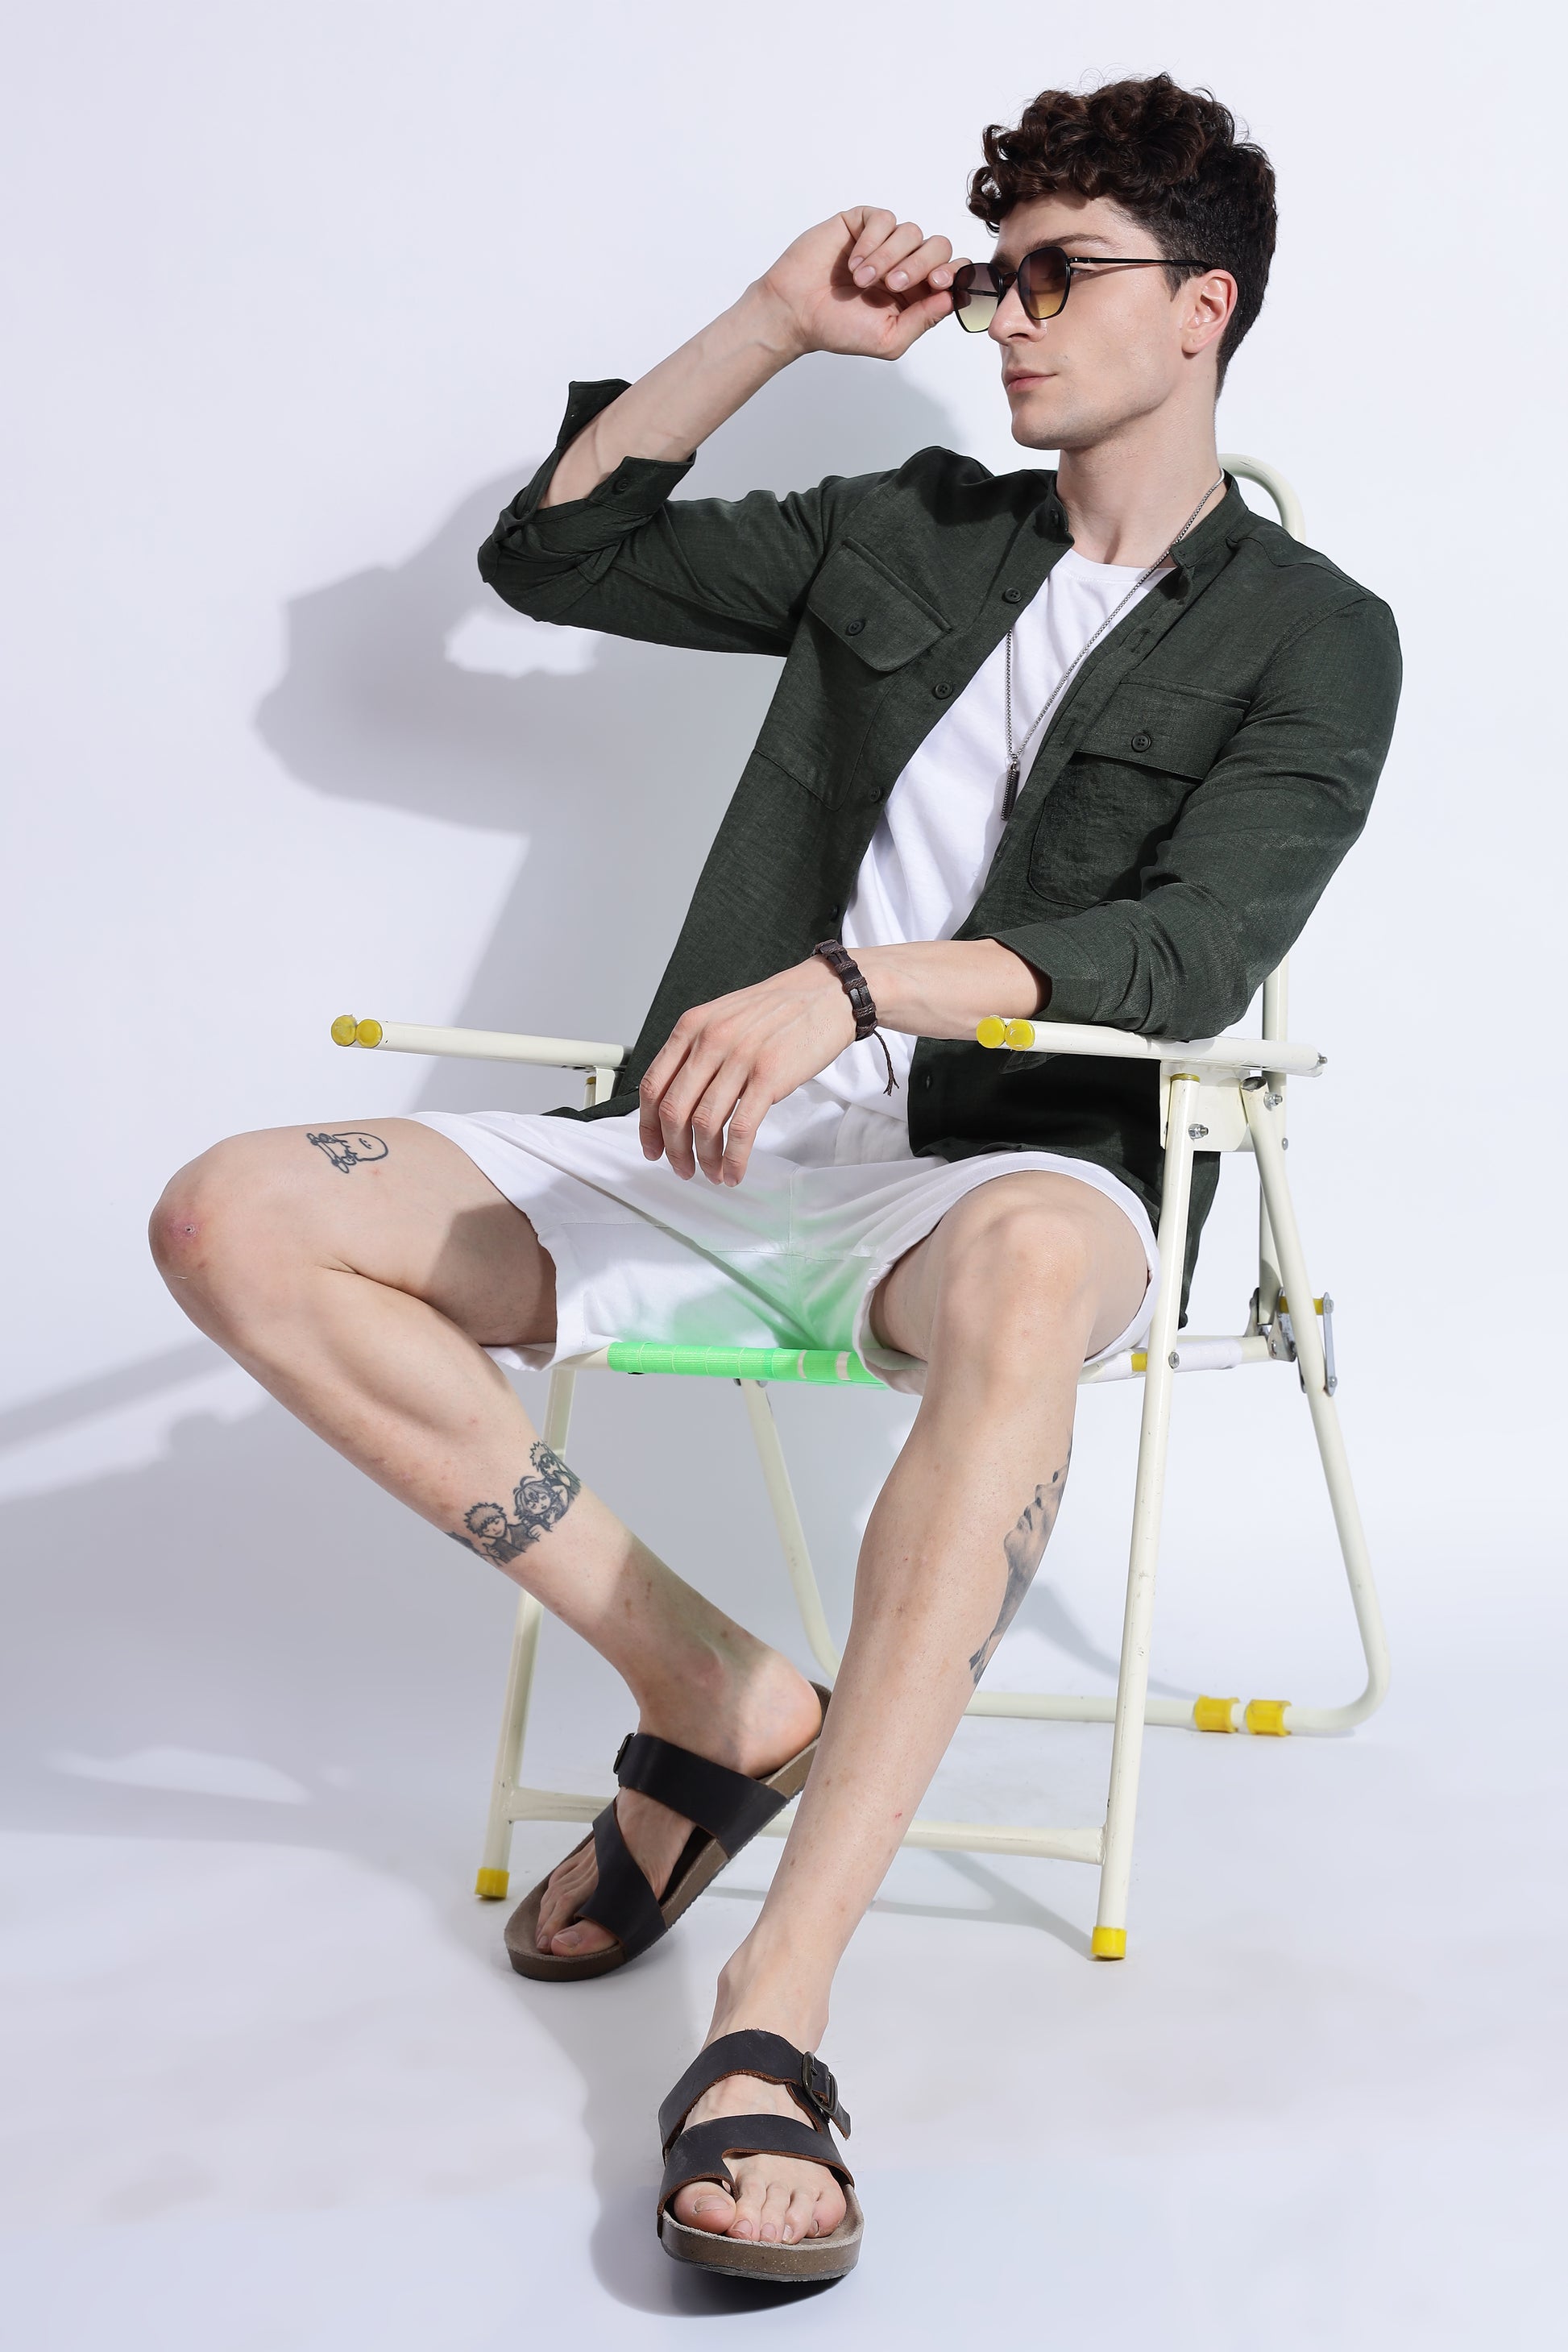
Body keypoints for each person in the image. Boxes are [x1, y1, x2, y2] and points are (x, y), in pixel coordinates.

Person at [151, 73, 1400, 2283]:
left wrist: (859, 985)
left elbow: (1196, 949)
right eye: (996, 274)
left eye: (1061, 275)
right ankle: (718, 1696)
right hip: (718, 1138)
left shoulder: (1312, 629)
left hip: (1006, 1169)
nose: (1009, 317)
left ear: (1202, 307)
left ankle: (774, 2009)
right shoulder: (903, 527)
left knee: (1033, 1275)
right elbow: (552, 558)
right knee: (233, 1211)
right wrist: (767, 323)